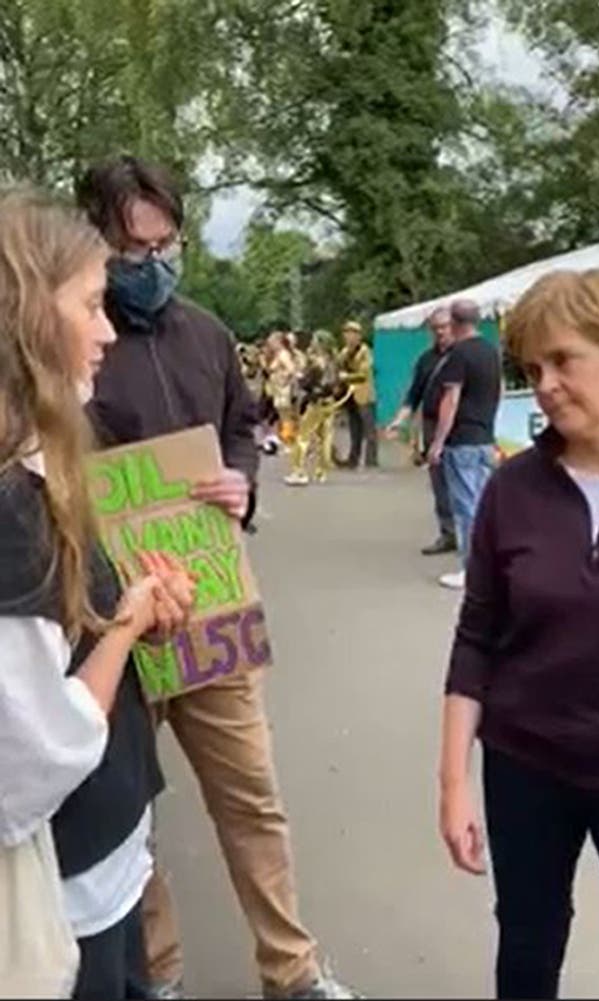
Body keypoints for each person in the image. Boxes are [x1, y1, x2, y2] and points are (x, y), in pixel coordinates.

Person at [77, 155, 359, 1001]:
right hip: (111, 624)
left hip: (213, 614)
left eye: (168, 244)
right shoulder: (69, 341)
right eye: (133, 248)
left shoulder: (204, 333)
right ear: (93, 241)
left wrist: (243, 480)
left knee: (252, 799)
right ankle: (156, 971)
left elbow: (243, 428)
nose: (153, 263)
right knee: (132, 815)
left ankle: (292, 969)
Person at [0, 190, 194, 999]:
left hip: (104, 847)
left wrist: (135, 612)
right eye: (91, 305)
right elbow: (33, 751)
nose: (109, 329)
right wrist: (127, 627)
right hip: (66, 877)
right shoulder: (12, 502)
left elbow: (67, 630)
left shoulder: (41, 467)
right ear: (29, 318)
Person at [439, 268, 599, 1000]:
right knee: (526, 944)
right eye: (532, 368)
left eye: (563, 360)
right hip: (527, 766)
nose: (546, 384)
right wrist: (453, 782)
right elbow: (476, 638)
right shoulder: (511, 489)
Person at [427, 300, 501, 589]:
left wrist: (438, 442)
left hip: (463, 440)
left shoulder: (459, 354)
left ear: (455, 323)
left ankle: (472, 569)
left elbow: (451, 399)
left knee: (465, 506)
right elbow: (499, 389)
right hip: (485, 437)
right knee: (484, 504)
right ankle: (491, 565)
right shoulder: (490, 351)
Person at [388, 308, 456, 555]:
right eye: (436, 328)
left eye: (445, 326)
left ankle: (471, 536)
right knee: (439, 481)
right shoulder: (426, 359)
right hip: (431, 423)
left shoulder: (464, 356)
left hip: (461, 425)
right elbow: (414, 395)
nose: (440, 332)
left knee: (464, 482)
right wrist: (400, 420)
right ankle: (448, 534)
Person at [284, 331, 352, 487]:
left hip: (316, 402)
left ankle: (298, 471)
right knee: (325, 436)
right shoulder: (334, 361)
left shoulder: (316, 363)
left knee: (303, 435)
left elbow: (307, 383)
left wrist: (300, 378)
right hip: (329, 402)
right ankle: (321, 471)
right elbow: (337, 382)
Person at [338, 321, 378, 469]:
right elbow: (338, 367)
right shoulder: (343, 352)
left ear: (358, 336)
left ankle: (371, 460)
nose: (348, 337)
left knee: (369, 430)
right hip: (350, 396)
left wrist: (346, 377)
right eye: (346, 333)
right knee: (354, 429)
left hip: (365, 394)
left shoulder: (365, 352)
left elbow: (363, 373)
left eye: (352, 333)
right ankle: (353, 459)